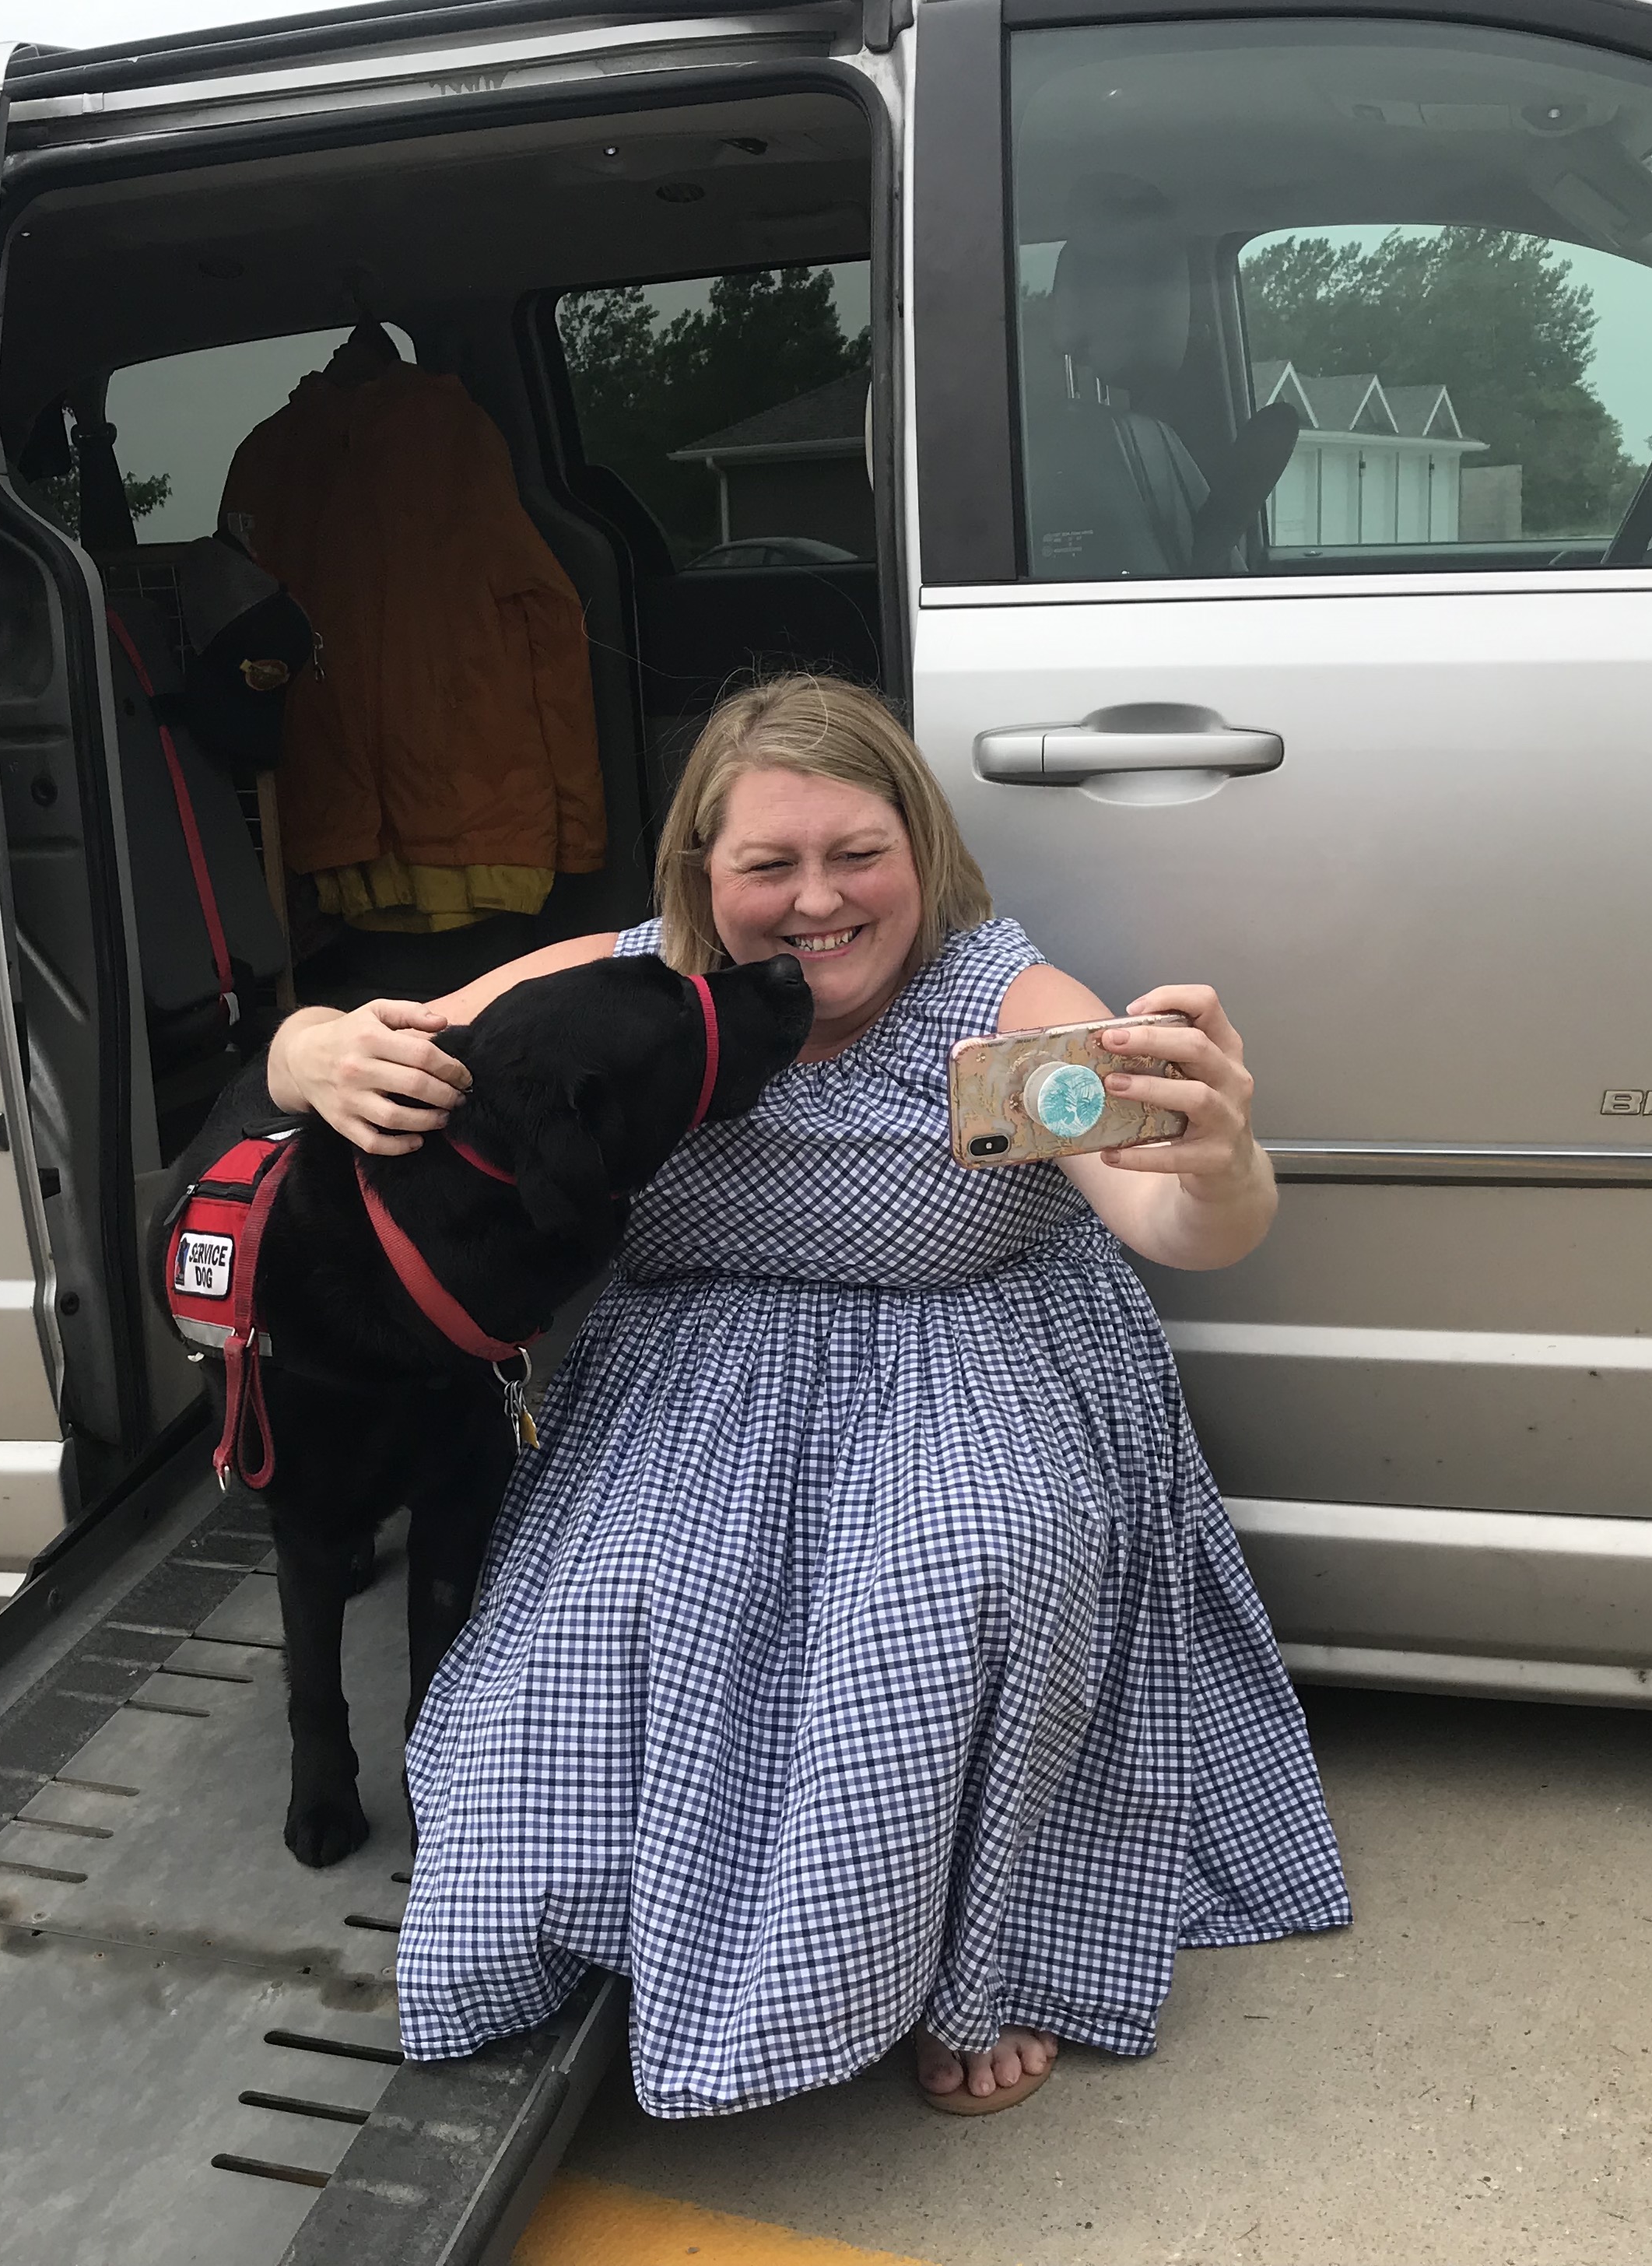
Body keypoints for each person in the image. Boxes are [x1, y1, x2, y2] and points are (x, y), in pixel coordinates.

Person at [265, 672, 1348, 2118]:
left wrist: (1223, 1166)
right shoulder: (620, 986)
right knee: (596, 1625)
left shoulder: (1006, 1009)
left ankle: (969, 1961)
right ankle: (680, 1928)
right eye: (769, 863)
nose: (817, 900)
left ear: (923, 850)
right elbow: (332, 1049)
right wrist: (313, 1050)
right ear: (701, 874)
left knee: (958, 1576)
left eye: (858, 855)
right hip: (695, 1374)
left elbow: (1170, 1230)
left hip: (971, 1359)